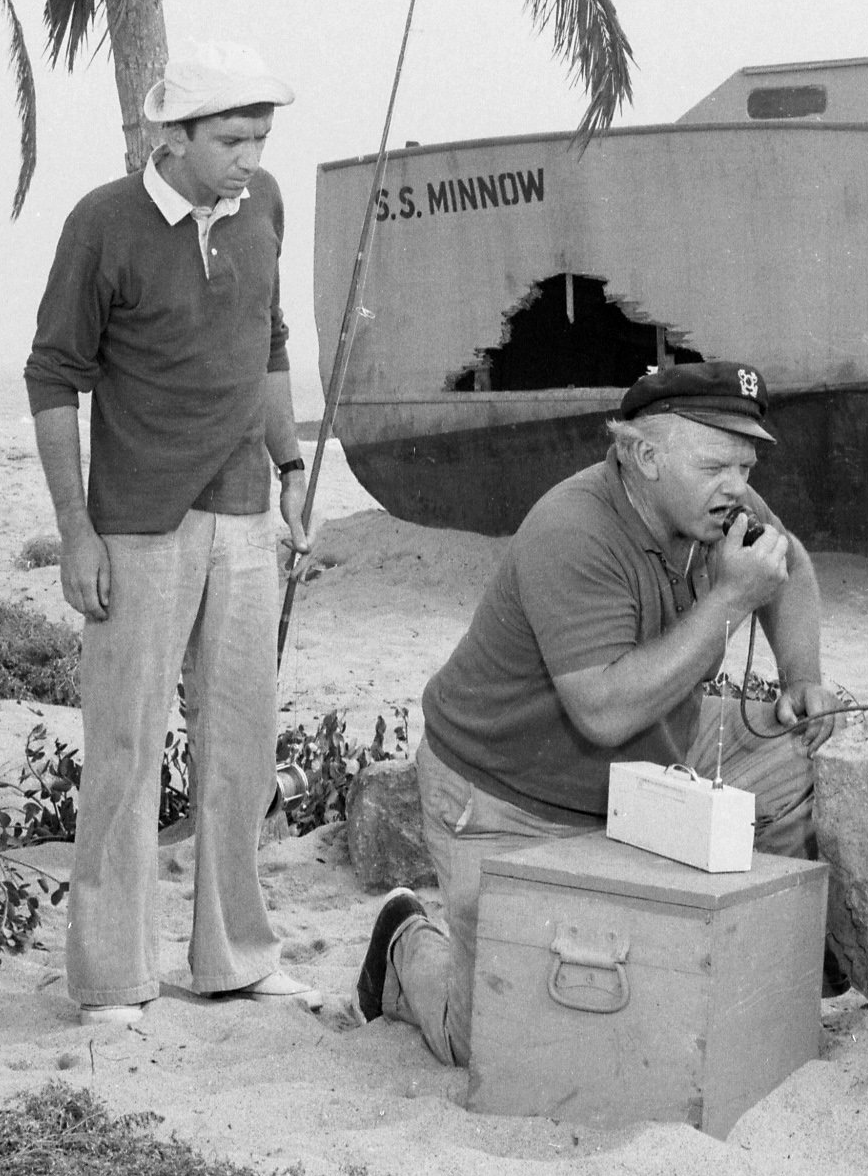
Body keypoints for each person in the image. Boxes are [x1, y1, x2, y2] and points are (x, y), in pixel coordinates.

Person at [358, 361, 837, 1066]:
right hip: (506, 794)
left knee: (799, 754)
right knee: (497, 1047)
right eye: (715, 464)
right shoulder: (573, 528)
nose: (737, 485)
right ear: (643, 456)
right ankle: (402, 943)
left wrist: (802, 676)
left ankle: (779, 973)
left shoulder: (714, 503)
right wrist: (729, 600)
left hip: (647, 763)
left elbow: (785, 563)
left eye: (746, 463)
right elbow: (604, 712)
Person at [24, 41, 314, 1024]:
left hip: (243, 509)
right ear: (172, 136)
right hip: (137, 522)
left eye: (260, 136)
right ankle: (113, 980)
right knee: (125, 751)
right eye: (232, 138)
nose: (249, 156)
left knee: (243, 745)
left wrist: (293, 464)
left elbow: (270, 340)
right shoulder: (102, 225)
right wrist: (75, 531)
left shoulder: (265, 203)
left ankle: (234, 957)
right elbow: (53, 377)